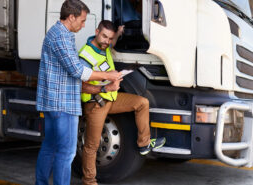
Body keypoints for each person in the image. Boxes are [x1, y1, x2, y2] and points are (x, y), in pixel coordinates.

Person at [35, 1, 122, 185]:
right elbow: (78, 71)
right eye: (82, 20)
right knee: (66, 153)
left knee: (50, 147)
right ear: (71, 17)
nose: (83, 25)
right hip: (62, 103)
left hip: (54, 102)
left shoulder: (58, 34)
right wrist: (108, 75)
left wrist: (103, 86)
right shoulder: (61, 37)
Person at [79, 20, 166, 185]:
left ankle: (144, 144)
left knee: (142, 103)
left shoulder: (105, 47)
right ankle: (89, 181)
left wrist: (118, 33)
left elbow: (111, 43)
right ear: (96, 31)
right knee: (92, 145)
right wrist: (106, 86)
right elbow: (82, 86)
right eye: (104, 36)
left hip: (111, 99)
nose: (107, 41)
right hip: (96, 104)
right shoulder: (85, 55)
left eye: (110, 38)